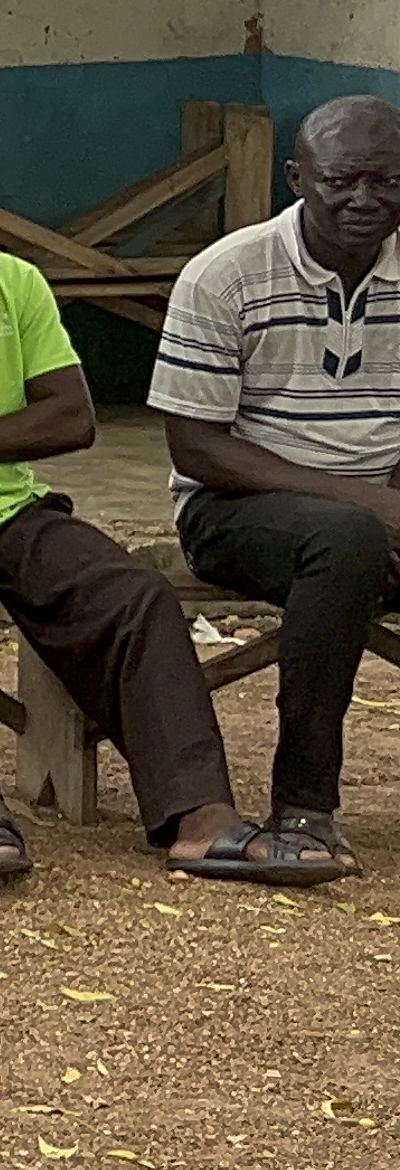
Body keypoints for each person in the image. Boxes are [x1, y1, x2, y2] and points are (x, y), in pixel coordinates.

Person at [0, 108, 344, 890]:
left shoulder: (15, 281)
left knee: (133, 593)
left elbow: (70, 420)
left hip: (12, 506)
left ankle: (200, 817)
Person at [149, 92, 400, 875]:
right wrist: (365, 500)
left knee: (354, 542)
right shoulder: (227, 273)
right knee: (348, 541)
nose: (365, 198)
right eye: (342, 179)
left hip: (383, 504)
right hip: (238, 508)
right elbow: (196, 444)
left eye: (387, 181)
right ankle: (305, 805)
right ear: (298, 178)